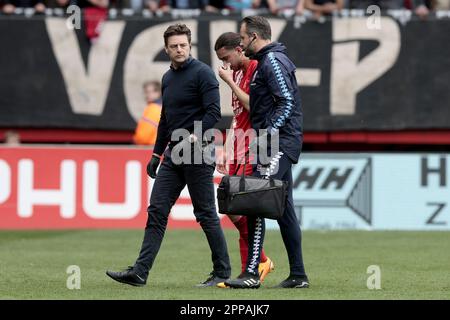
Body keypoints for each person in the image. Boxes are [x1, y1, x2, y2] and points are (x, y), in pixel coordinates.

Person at [106, 23, 232, 287]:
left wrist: (196, 135)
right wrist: (156, 153)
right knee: (157, 211)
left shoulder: (204, 74)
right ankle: (140, 272)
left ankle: (222, 272)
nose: (179, 49)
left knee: (205, 213)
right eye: (174, 46)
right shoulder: (167, 78)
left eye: (183, 45)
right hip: (174, 154)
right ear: (166, 49)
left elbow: (214, 113)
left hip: (198, 152)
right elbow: (165, 119)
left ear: (190, 45)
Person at [225, 16, 308, 289]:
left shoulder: (271, 61)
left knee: (256, 196)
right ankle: (298, 275)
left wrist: (267, 134)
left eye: (243, 37)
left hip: (278, 143)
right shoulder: (270, 60)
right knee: (284, 211)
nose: (241, 42)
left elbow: (286, 103)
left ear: (254, 37)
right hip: (278, 141)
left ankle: (251, 272)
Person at [214, 32, 274, 287]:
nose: (225, 64)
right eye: (221, 60)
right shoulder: (236, 73)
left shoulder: (255, 69)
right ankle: (259, 262)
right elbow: (237, 115)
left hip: (254, 147)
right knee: (231, 207)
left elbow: (254, 106)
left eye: (226, 57)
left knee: (245, 209)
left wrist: (229, 82)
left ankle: (248, 271)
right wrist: (226, 148)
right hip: (238, 147)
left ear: (240, 49)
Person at [133, 80, 162, 146]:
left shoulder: (153, 108)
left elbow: (143, 137)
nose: (147, 95)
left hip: (149, 148)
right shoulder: (163, 108)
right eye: (146, 92)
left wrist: (135, 142)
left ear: (158, 92)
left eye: (150, 92)